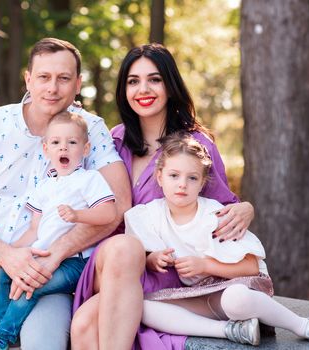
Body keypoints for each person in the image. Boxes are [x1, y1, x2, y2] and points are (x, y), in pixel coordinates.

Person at [0, 38, 131, 350]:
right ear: (28, 79)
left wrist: (55, 255)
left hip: (50, 272)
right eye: (43, 77)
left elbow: (119, 206)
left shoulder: (91, 130)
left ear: (77, 84)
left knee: (44, 344)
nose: (53, 88)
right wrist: (6, 255)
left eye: (64, 78)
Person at [71, 43, 256, 349]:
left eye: (154, 79)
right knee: (124, 247)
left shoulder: (195, 145)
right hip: (113, 262)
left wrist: (246, 208)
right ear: (123, 90)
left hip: (164, 269)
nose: (143, 89)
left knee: (84, 325)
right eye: (133, 81)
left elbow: (220, 208)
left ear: (170, 85)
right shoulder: (110, 142)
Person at [127, 131, 309, 346]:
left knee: (235, 300)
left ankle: (303, 325)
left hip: (233, 289)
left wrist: (205, 265)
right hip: (197, 298)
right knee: (144, 308)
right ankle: (229, 331)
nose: (182, 184)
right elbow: (143, 256)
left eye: (192, 178)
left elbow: (251, 267)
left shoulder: (215, 216)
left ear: (203, 182)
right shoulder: (151, 215)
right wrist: (153, 259)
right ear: (159, 176)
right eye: (174, 175)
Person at [0, 112, 117, 350]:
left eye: (72, 142)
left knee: (32, 282)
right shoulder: (45, 186)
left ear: (86, 148)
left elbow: (108, 213)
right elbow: (34, 229)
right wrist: (7, 252)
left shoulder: (89, 179)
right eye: (56, 142)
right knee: (3, 275)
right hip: (44, 256)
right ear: (46, 148)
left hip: (75, 263)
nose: (64, 148)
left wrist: (78, 215)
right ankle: (10, 331)